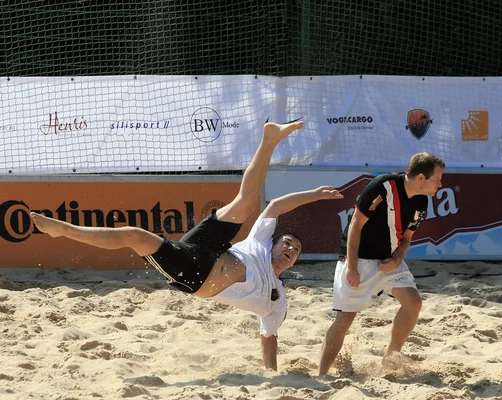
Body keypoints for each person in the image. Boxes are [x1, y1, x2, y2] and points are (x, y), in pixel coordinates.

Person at [30, 119, 344, 371]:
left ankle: (65, 231)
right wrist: (315, 194)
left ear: (292, 263)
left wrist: (272, 376)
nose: (291, 249)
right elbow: (273, 205)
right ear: (275, 244)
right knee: (247, 201)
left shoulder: (278, 298)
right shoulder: (259, 243)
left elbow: (269, 337)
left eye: (296, 251)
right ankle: (270, 139)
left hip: (197, 275)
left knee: (136, 236)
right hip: (210, 249)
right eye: (287, 242)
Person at [318, 152, 445, 375]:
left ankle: (390, 359)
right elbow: (355, 226)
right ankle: (321, 374)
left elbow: (406, 238)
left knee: (413, 303)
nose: (441, 184)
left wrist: (397, 259)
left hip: (389, 260)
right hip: (359, 259)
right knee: (345, 319)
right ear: (421, 178)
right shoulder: (381, 186)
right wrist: (352, 267)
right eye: (437, 178)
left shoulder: (422, 200)